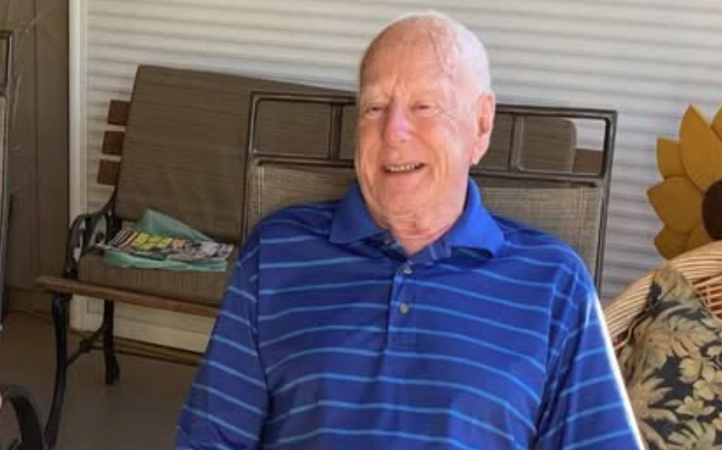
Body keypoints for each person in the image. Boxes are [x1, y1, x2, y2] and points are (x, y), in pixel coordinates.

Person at [177, 12, 643, 450]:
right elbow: (209, 439)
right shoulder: (278, 251)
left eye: (424, 105)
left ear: (482, 125)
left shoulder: (554, 281)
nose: (393, 132)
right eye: (375, 107)